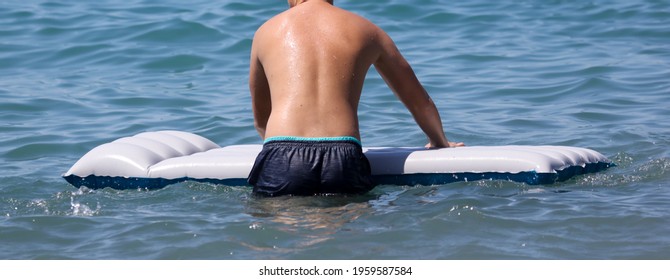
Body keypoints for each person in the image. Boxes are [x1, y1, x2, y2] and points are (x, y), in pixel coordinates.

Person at [247, 0, 464, 196]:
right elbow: (419, 102)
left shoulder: (266, 32)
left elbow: (261, 119)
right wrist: (439, 141)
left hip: (282, 153)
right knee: (348, 235)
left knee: (275, 229)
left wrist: (280, 154)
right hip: (342, 156)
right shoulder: (367, 29)